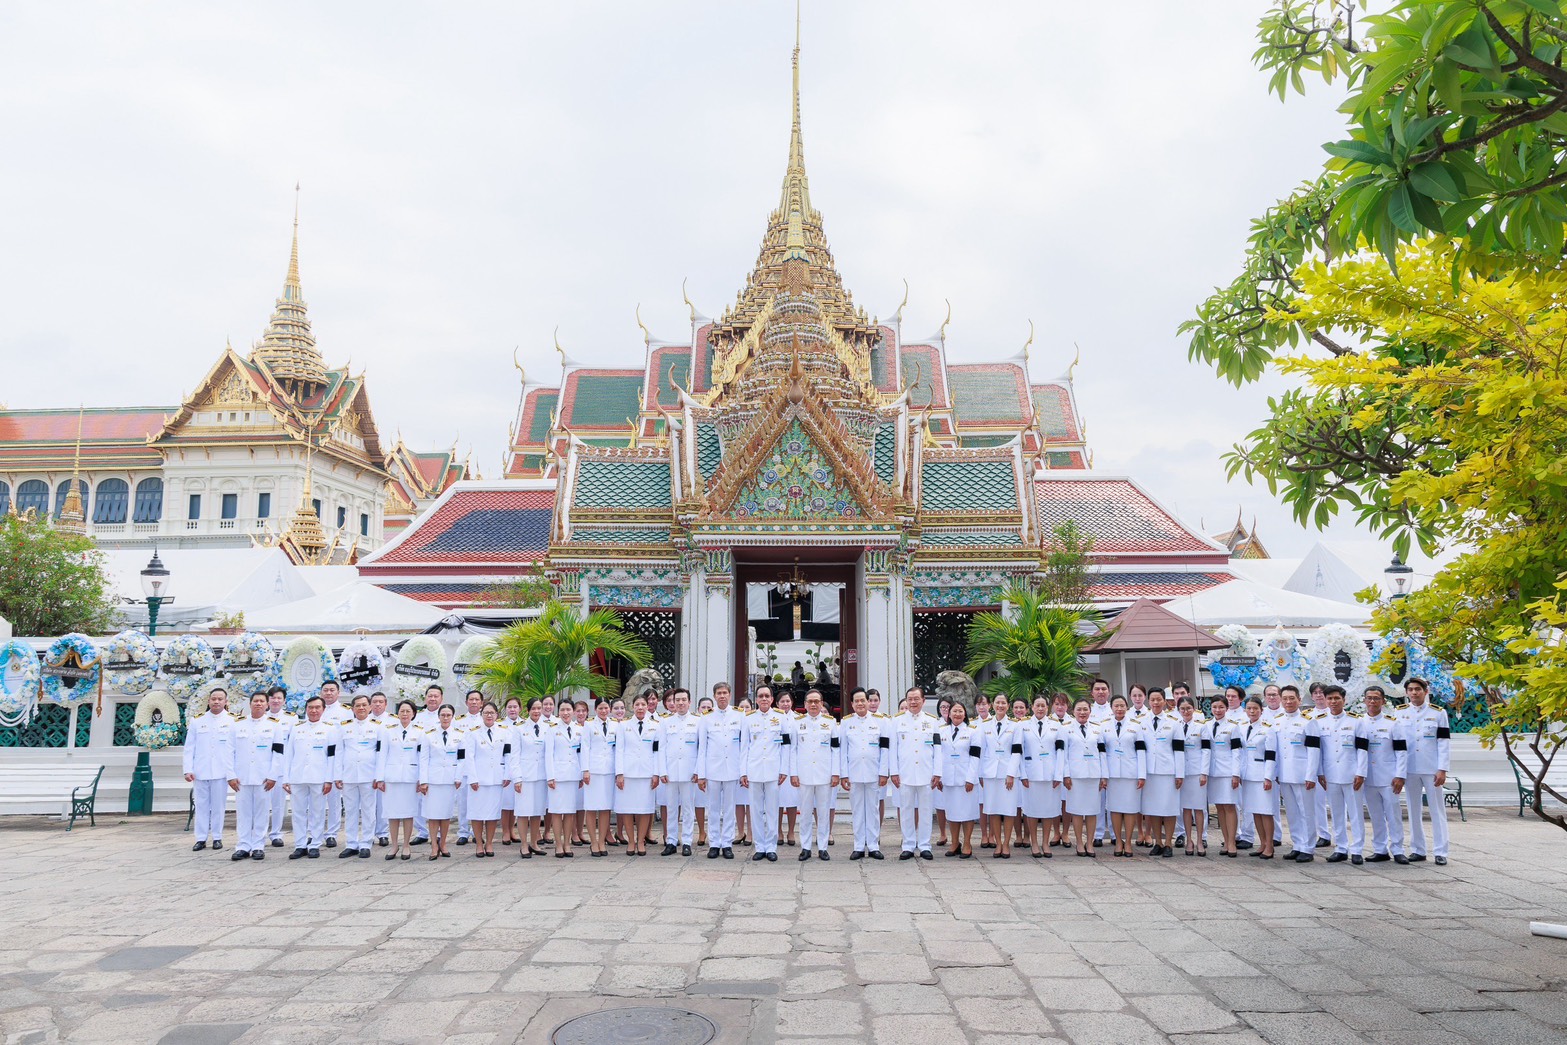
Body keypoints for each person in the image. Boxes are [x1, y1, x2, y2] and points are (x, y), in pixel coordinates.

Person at [1314, 684, 1367, 865]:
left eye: (1337, 698)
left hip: (1351, 773)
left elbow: (1362, 749)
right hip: (1330, 774)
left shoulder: (1356, 721)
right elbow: (1319, 751)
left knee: (1356, 813)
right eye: (1330, 698)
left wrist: (1361, 772)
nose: (1333, 701)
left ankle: (1357, 849)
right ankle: (1341, 847)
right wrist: (1320, 772)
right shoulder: (1320, 722)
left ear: (1344, 700)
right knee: (1336, 812)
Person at [1400, 677, 1452, 865]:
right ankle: (1418, 849)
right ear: (1406, 692)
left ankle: (1441, 851)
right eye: (1411, 689)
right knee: (1413, 809)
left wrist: (1442, 768)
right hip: (1410, 768)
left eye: (1418, 689)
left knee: (1437, 810)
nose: (1414, 692)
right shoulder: (1400, 713)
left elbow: (1443, 742)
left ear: (1426, 691)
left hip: (1431, 768)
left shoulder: (1438, 713)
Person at [281, 695, 338, 859]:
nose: (314, 711)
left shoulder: (330, 729)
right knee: (298, 812)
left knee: (317, 812)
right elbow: (289, 754)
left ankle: (315, 844)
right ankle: (300, 845)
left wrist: (329, 779)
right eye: (310, 707)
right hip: (297, 776)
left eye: (317, 707)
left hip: (319, 777)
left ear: (323, 709)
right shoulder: (297, 728)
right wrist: (286, 778)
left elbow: (332, 757)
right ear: (306, 709)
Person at [888, 686, 941, 860]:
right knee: (906, 810)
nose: (913, 702)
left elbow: (938, 749)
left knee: (926, 811)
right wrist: (894, 772)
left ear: (923, 701)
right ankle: (908, 845)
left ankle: (925, 845)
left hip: (926, 773)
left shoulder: (932, 721)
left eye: (916, 699)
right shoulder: (897, 721)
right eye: (910, 699)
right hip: (905, 773)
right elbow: (893, 749)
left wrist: (937, 772)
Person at [1359, 685, 1409, 864]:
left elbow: (1401, 751)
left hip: (1389, 776)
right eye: (1369, 698)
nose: (1372, 701)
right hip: (1368, 776)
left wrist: (1400, 775)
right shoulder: (1359, 722)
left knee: (1393, 814)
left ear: (1383, 701)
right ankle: (1380, 849)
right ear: (1364, 700)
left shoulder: (1392, 723)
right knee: (1375, 815)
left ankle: (1398, 849)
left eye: (1376, 698)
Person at [838, 687, 889, 860]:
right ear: (852, 704)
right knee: (858, 810)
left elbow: (885, 749)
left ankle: (873, 845)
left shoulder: (880, 722)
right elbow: (843, 751)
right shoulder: (846, 723)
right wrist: (844, 775)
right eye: (856, 701)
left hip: (874, 771)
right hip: (854, 773)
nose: (860, 703)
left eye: (863, 700)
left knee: (873, 810)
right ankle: (859, 846)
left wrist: (884, 772)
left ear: (868, 702)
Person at [184, 686, 237, 852]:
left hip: (221, 771)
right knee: (201, 806)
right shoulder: (197, 721)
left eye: (220, 699)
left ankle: (217, 837)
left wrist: (233, 772)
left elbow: (236, 749)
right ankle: (200, 838)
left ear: (226, 701)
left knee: (218, 806)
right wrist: (188, 769)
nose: (216, 702)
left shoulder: (232, 721)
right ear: (208, 701)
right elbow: (189, 748)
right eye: (213, 699)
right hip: (201, 770)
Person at [698, 682, 746, 859]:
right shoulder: (706, 717)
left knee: (729, 808)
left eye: (725, 692)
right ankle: (714, 843)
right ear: (714, 696)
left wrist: (743, 771)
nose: (722, 696)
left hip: (732, 768)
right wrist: (701, 774)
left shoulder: (739, 715)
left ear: (730, 695)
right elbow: (702, 747)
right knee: (713, 808)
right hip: (713, 769)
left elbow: (743, 746)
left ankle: (727, 843)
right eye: (719, 693)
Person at [789, 688, 839, 861]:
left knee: (823, 812)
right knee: (805, 813)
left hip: (824, 774)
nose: (813, 704)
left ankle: (823, 847)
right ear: (804, 704)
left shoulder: (830, 723)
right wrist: (793, 773)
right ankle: (805, 847)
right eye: (810, 701)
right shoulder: (797, 723)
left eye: (816, 701)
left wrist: (835, 773)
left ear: (821, 703)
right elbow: (793, 750)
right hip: (804, 775)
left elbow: (835, 749)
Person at [1273, 685, 1321, 862]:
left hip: (1302, 775)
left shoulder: (1308, 721)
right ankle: (1297, 844)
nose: (1288, 702)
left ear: (1299, 700)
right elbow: (1276, 750)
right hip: (1285, 774)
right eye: (1285, 698)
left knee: (1306, 812)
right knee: (1292, 812)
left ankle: (1308, 847)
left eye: (1292, 698)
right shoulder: (1278, 721)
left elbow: (1314, 751)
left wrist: (1311, 775)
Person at [741, 686, 789, 862]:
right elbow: (744, 747)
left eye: (767, 696)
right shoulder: (748, 718)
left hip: (773, 770)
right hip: (753, 769)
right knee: (755, 810)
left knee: (772, 810)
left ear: (772, 699)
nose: (764, 699)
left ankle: (771, 847)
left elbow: (786, 746)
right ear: (756, 699)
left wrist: (784, 769)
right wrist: (743, 772)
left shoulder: (781, 717)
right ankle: (759, 846)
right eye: (760, 696)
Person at [231, 692, 278, 861]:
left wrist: (273, 775)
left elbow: (278, 753)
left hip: (263, 777)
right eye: (255, 701)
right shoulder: (237, 725)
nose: (258, 704)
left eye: (262, 701)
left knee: (261, 813)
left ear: (267, 705)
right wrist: (230, 775)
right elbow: (229, 752)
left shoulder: (274, 725)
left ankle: (258, 845)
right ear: (250, 704)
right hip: (241, 777)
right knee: (243, 813)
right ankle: (243, 845)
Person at [334, 694, 381, 859]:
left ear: (370, 707)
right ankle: (351, 843)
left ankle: (366, 843)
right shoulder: (344, 727)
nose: (361, 708)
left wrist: (379, 775)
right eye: (357, 705)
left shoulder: (378, 727)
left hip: (369, 775)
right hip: (349, 775)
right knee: (350, 810)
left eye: (364, 705)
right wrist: (337, 775)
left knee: (368, 810)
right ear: (353, 709)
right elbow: (339, 752)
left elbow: (380, 753)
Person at [375, 699, 423, 860]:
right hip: (392, 777)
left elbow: (422, 757)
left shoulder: (420, 732)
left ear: (413, 714)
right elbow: (382, 755)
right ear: (398, 713)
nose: (405, 714)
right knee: (393, 813)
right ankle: (394, 845)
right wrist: (380, 778)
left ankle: (406, 845)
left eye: (408, 711)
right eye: (402, 711)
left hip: (410, 777)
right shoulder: (388, 731)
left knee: (408, 812)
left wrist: (421, 779)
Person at [1060, 697, 1107, 857]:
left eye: (1085, 709)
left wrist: (1104, 776)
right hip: (1075, 777)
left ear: (1090, 711)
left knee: (1092, 811)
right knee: (1077, 811)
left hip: (1094, 775)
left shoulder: (1097, 729)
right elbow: (1064, 754)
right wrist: (1066, 775)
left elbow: (1102, 753)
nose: (1082, 712)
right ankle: (1080, 842)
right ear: (1073, 711)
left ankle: (1090, 843)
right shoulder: (1066, 729)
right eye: (1079, 709)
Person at [657, 688, 702, 856]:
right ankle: (671, 841)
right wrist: (662, 771)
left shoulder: (698, 721)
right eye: (677, 700)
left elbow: (701, 749)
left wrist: (698, 770)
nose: (680, 703)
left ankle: (687, 841)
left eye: (684, 700)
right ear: (673, 702)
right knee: (671, 808)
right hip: (670, 771)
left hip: (689, 772)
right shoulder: (665, 722)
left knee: (688, 809)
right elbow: (661, 748)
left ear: (689, 702)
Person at [462, 702, 509, 857]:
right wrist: (472, 778)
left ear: (496, 715)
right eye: (486, 713)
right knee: (476, 813)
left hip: (496, 779)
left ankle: (489, 843)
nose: (489, 715)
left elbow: (507, 755)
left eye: (492, 713)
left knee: (492, 814)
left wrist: (507, 774)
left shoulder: (504, 732)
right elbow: (469, 757)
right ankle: (479, 844)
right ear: (481, 715)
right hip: (478, 780)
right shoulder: (473, 732)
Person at [976, 695, 1021, 859]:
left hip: (1008, 774)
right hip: (990, 773)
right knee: (992, 809)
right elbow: (981, 751)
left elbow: (1016, 751)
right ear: (992, 705)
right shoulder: (985, 725)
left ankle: (1007, 843)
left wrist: (1011, 774)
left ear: (1008, 706)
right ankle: (998, 844)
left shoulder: (1015, 725)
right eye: (997, 702)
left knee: (1009, 810)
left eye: (1003, 703)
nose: (1000, 705)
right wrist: (980, 774)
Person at [1139, 688, 1182, 858]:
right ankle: (1158, 842)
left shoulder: (1174, 722)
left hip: (1168, 771)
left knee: (1169, 808)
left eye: (1159, 699)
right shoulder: (1141, 722)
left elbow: (1179, 750)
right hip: (1149, 772)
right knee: (1153, 809)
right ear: (1148, 701)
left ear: (1164, 701)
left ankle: (1168, 843)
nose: (1156, 703)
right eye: (1152, 700)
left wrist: (1180, 774)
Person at [614, 693, 659, 857]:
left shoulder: (655, 726)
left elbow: (657, 751)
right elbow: (619, 751)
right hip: (628, 773)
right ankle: (631, 841)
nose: (640, 708)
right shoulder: (623, 726)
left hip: (647, 773)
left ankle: (640, 841)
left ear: (647, 707)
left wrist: (656, 773)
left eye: (643, 705)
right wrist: (619, 773)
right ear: (632, 707)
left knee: (645, 809)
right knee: (627, 808)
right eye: (637, 705)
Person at [1102, 695, 1146, 858]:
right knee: (1114, 808)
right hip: (1112, 773)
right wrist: (1103, 775)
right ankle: (1118, 841)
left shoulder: (1136, 725)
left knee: (1130, 808)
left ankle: (1128, 842)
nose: (1119, 709)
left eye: (1122, 706)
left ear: (1127, 707)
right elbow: (1102, 753)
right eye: (1116, 706)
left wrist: (1141, 775)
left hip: (1130, 773)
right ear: (1111, 708)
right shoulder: (1104, 726)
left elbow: (1141, 751)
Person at [1019, 696, 1062, 859]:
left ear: (1047, 707)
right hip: (1031, 774)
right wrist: (1022, 774)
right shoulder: (1023, 725)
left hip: (1050, 774)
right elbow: (1019, 752)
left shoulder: (1056, 725)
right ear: (1032, 707)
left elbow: (1060, 751)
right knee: (1031, 809)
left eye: (1043, 705)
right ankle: (1034, 843)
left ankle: (1045, 842)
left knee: (1048, 810)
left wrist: (1058, 774)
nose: (1040, 708)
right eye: (1037, 705)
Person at [420, 703, 464, 860]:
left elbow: (461, 758)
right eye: (443, 715)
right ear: (438, 717)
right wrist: (423, 780)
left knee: (445, 815)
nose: (445, 718)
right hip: (433, 780)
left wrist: (458, 777)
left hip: (450, 780)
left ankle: (443, 844)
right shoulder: (428, 735)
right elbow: (424, 759)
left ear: (453, 717)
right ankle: (433, 845)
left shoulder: (460, 735)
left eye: (448, 715)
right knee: (433, 814)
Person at [1238, 696, 1279, 860]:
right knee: (1255, 810)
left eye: (1255, 708)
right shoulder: (1242, 727)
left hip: (1262, 775)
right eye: (1249, 708)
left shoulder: (1268, 729)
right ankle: (1262, 843)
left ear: (1261, 711)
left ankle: (1270, 845)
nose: (1252, 711)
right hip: (1248, 775)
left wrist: (1268, 777)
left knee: (1266, 811)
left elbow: (1271, 754)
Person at [512, 697, 553, 858]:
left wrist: (550, 776)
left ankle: (534, 843)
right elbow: (514, 756)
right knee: (523, 811)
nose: (536, 711)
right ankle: (524, 844)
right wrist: (517, 778)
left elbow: (549, 754)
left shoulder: (548, 727)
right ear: (528, 711)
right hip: (525, 776)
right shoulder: (519, 729)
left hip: (541, 776)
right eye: (533, 709)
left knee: (537, 811)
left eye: (539, 708)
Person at [939, 700, 980, 857]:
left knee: (967, 813)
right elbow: (937, 756)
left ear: (965, 714)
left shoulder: (973, 732)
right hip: (948, 778)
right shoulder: (941, 731)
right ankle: (955, 843)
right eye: (954, 711)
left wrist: (970, 778)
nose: (957, 714)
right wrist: (939, 777)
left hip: (966, 779)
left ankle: (967, 843)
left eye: (960, 711)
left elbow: (975, 757)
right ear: (949, 714)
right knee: (952, 813)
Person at [1208, 691, 1245, 857]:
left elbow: (1237, 752)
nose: (1218, 710)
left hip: (1228, 771)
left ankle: (1232, 841)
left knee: (1230, 806)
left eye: (1221, 707)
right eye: (1215, 707)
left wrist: (1236, 774)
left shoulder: (1233, 726)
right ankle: (1225, 839)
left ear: (1226, 708)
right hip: (1213, 772)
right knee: (1220, 807)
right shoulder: (1206, 725)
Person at [546, 701, 584, 858]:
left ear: (573, 711)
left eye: (568, 709)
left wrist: (581, 775)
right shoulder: (552, 729)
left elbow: (581, 753)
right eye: (562, 710)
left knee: (569, 811)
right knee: (556, 811)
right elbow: (548, 754)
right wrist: (550, 776)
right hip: (557, 776)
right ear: (558, 712)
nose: (565, 713)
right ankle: (558, 844)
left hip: (573, 775)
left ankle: (567, 843)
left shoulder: (579, 729)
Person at [1175, 694, 1211, 857]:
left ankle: (1200, 840)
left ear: (1194, 709)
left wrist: (1204, 772)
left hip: (1197, 772)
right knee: (1186, 808)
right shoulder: (1175, 726)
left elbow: (1206, 750)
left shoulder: (1201, 727)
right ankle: (1188, 840)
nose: (1186, 711)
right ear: (1178, 710)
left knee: (1199, 807)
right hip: (1182, 772)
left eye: (1188, 708)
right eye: (1182, 709)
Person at [317, 680, 353, 848]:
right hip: (318, 758)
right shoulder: (316, 707)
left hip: (337, 758)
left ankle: (331, 833)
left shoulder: (345, 711)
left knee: (334, 799)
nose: (329, 693)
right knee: (315, 800)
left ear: (338, 693)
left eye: (332, 690)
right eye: (325, 690)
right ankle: (314, 833)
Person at [581, 698, 618, 857]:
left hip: (609, 771)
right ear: (595, 710)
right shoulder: (589, 725)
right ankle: (593, 842)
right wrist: (585, 770)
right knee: (591, 807)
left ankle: (602, 841)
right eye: (600, 708)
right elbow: (585, 748)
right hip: (593, 772)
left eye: (606, 708)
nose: (603, 711)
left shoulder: (615, 725)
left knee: (605, 808)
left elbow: (617, 749)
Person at [410, 684, 445, 846]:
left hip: (438, 763)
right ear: (425, 698)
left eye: (436, 696)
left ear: (441, 698)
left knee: (436, 798)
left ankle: (438, 833)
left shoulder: (446, 715)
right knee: (418, 798)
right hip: (419, 760)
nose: (432, 699)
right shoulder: (417, 717)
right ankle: (422, 832)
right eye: (430, 696)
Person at [263, 687, 297, 848]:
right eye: (272, 698)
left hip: (281, 767)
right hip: (263, 767)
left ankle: (276, 834)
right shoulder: (261, 717)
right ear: (268, 700)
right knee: (262, 803)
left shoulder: (291, 718)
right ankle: (260, 833)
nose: (275, 701)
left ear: (284, 701)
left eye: (279, 698)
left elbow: (293, 745)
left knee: (278, 804)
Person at [452, 690, 486, 847]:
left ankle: (476, 832)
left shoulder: (485, 719)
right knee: (462, 802)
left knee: (479, 802)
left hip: (479, 768)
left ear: (481, 703)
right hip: (463, 767)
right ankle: (463, 832)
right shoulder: (458, 721)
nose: (474, 702)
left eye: (477, 700)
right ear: (466, 702)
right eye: (471, 699)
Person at [499, 696, 525, 846]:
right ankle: (505, 831)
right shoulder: (500, 725)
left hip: (519, 767)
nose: (512, 710)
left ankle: (512, 830)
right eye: (509, 707)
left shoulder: (525, 724)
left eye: (515, 707)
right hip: (505, 767)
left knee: (516, 802)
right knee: (506, 802)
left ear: (520, 708)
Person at [367, 692, 391, 846]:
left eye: (380, 702)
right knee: (368, 803)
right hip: (368, 766)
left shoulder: (393, 720)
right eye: (374, 701)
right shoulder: (365, 719)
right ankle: (368, 834)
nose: (377, 704)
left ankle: (383, 833)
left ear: (386, 704)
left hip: (386, 765)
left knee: (383, 802)